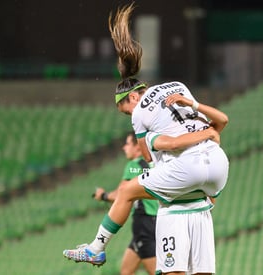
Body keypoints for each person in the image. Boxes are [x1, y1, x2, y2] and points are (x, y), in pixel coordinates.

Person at [63, 4, 229, 275]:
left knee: (128, 189)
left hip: (186, 171)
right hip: (218, 167)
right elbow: (213, 120)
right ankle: (203, 196)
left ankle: (96, 247)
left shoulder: (141, 117)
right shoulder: (178, 87)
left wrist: (150, 143)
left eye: (124, 109)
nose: (128, 114)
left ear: (132, 98)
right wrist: (210, 133)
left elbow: (150, 156)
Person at [93, 132, 158, 275]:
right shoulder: (153, 163)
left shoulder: (133, 165)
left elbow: (120, 194)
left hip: (144, 223)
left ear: (138, 148)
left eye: (127, 144)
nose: (123, 147)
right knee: (126, 272)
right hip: (153, 222)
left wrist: (103, 195)